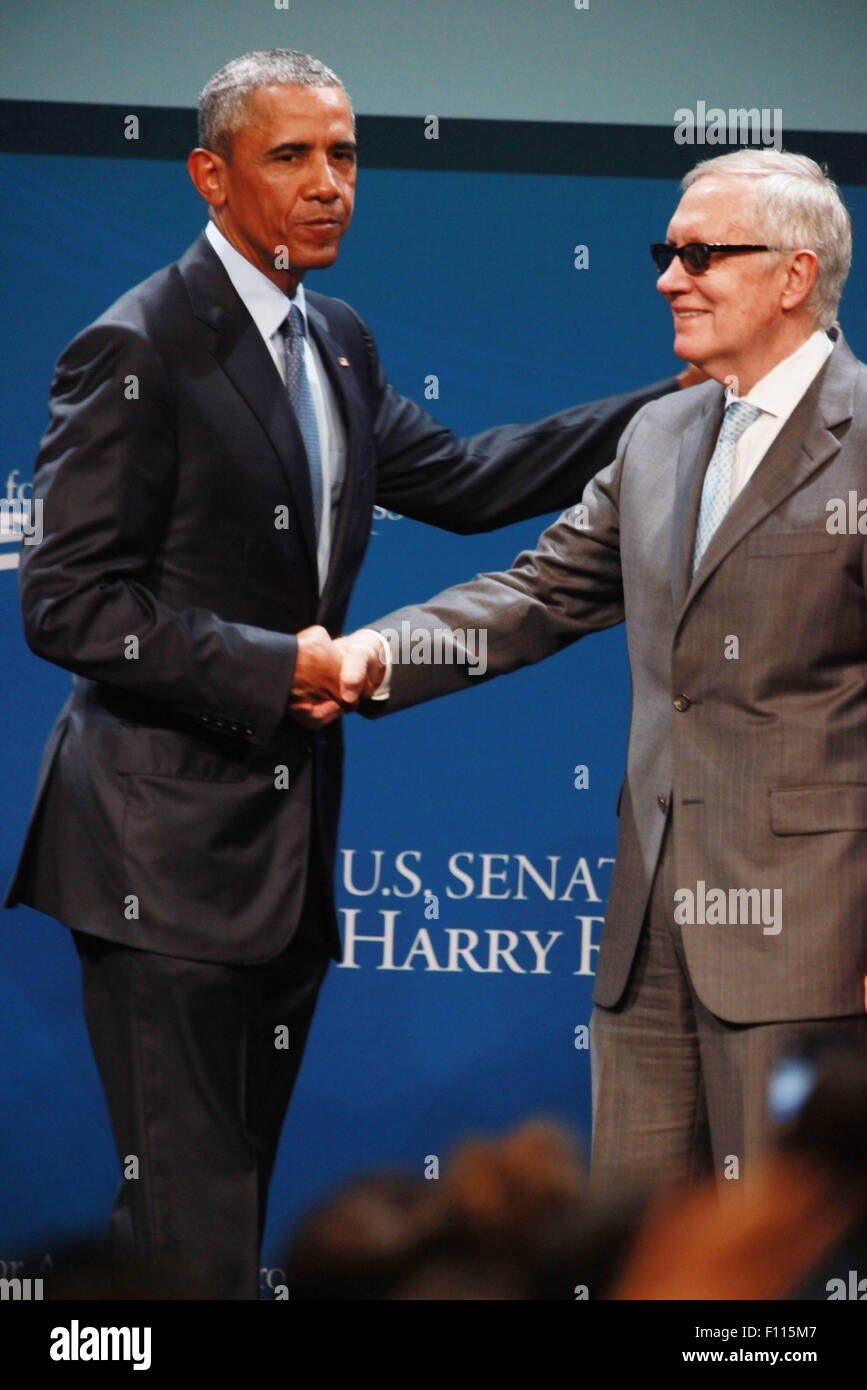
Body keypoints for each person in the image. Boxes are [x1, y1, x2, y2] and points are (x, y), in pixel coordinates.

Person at [2, 48, 689, 1298]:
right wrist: (283, 666)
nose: (331, 184)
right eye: (293, 156)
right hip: (158, 858)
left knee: (221, 1212)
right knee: (189, 1234)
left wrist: (681, 404)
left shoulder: (341, 341)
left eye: (346, 155)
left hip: (284, 855)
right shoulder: (136, 345)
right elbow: (66, 603)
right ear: (211, 177)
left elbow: (474, 481)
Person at [339, 149, 867, 1194]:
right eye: (664, 253)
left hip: (812, 939)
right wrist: (370, 654)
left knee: (776, 1277)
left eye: (701, 254)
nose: (670, 277)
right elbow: (538, 595)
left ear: (794, 276)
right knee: (637, 1249)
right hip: (647, 942)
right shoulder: (662, 433)